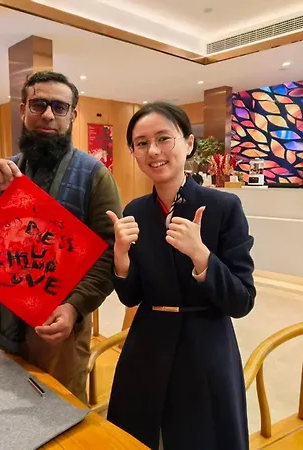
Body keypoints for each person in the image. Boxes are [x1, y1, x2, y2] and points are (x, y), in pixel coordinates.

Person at [0, 71, 122, 404]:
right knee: (8, 401)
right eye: (38, 104)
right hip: (5, 317)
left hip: (58, 329)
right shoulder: (5, 171)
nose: (48, 115)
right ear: (23, 110)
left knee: (60, 410)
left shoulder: (95, 176)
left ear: (72, 115)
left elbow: (110, 254)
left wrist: (74, 307)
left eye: (59, 107)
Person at [105, 102, 255, 450]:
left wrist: (201, 255)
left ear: (188, 143)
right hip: (147, 347)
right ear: (133, 152)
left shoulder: (224, 207)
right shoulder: (135, 211)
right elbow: (131, 296)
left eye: (163, 138)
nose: (153, 151)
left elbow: (243, 300)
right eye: (141, 143)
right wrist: (121, 258)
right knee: (139, 435)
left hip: (206, 350)